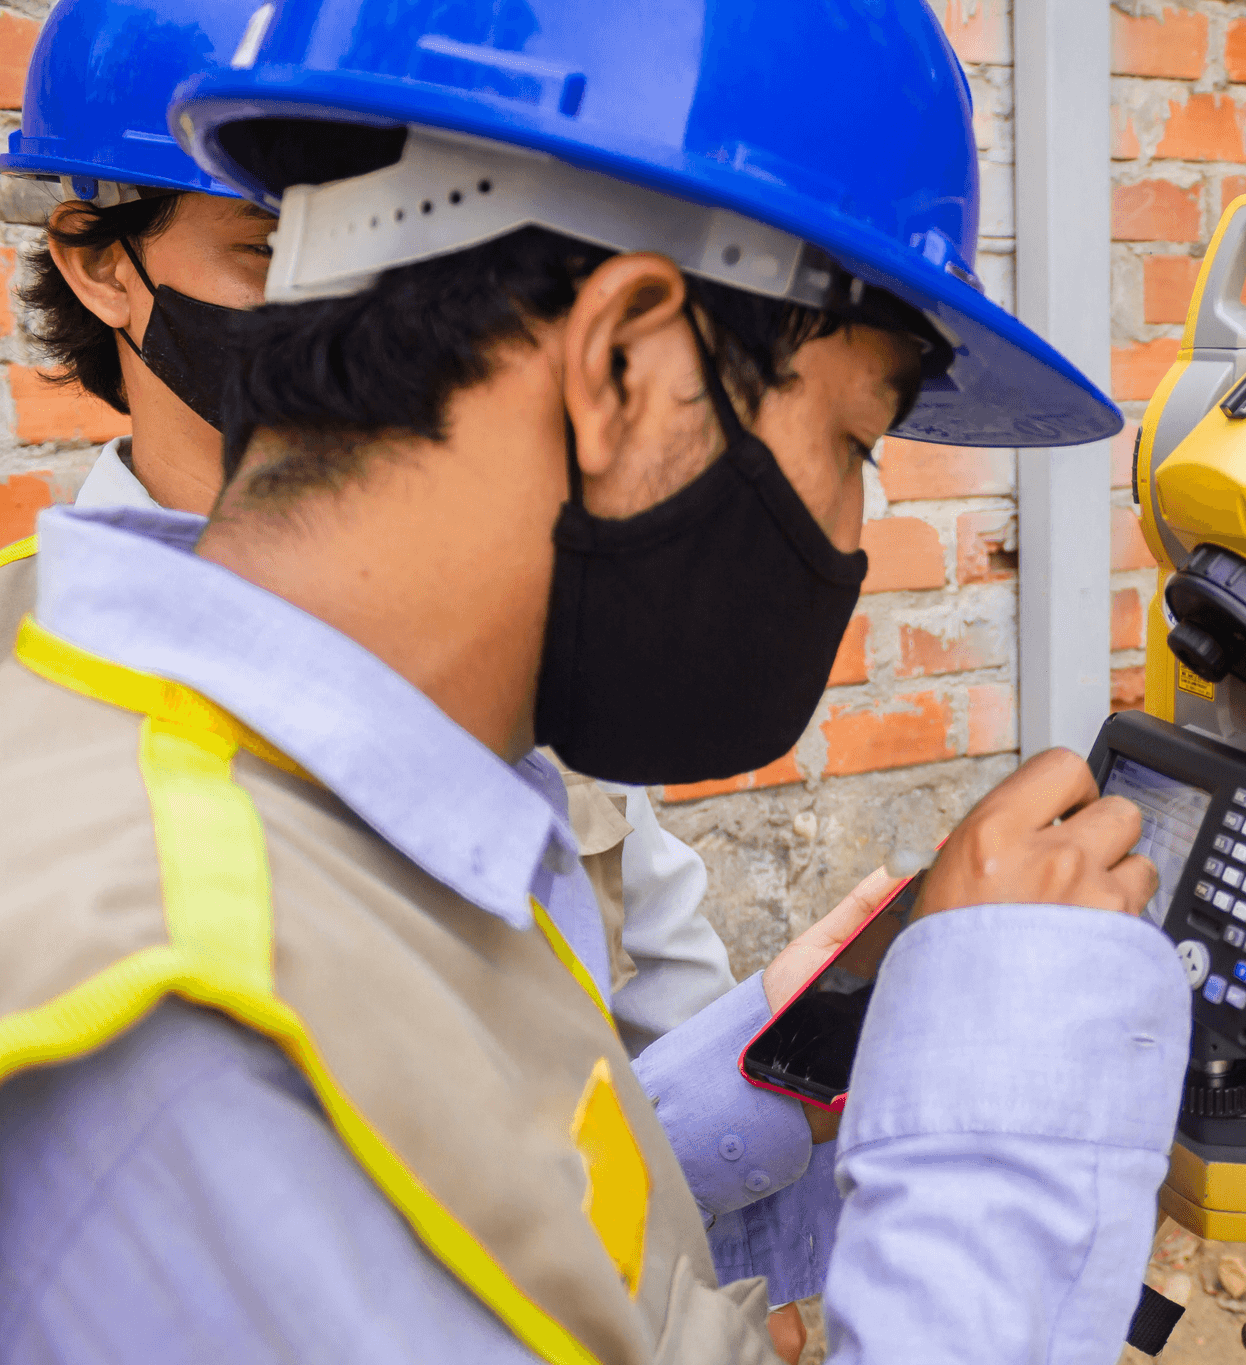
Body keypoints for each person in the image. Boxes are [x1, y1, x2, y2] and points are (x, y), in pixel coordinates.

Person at [0, 1, 1189, 1363]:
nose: (854, 526)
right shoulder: (210, 1040)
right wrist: (1005, 1114)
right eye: (855, 439)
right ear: (625, 362)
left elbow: (483, 1217)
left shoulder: (178, 735)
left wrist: (739, 1091)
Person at [0, 0, 739, 1056]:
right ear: (101, 265)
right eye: (273, 250)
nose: (342, 306)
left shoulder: (516, 604)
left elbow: (664, 1046)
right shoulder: (25, 680)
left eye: (381, 248)